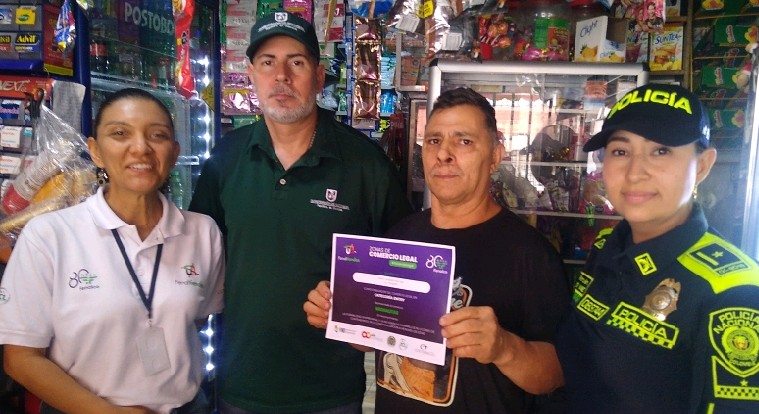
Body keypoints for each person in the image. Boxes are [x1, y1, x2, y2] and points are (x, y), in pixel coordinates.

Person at [188, 11, 412, 414]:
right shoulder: (226, 157)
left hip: (330, 391)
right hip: (241, 385)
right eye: (267, 63)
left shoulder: (364, 163)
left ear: (319, 75)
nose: (282, 77)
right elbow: (196, 261)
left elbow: (403, 264)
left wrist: (361, 304)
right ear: (251, 74)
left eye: (297, 62)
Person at [304, 87, 569, 413]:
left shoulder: (530, 255)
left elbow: (558, 374)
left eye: (464, 141)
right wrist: (340, 312)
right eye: (433, 141)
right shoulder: (399, 237)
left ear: (495, 157)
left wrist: (505, 348)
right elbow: (374, 338)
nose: (443, 154)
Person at [0, 88, 225, 414]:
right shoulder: (48, 236)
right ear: (96, 151)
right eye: (120, 133)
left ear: (174, 152)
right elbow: (20, 358)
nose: (141, 147)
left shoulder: (203, 233)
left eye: (157, 135)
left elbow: (196, 319)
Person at [555, 83, 759, 413]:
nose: (635, 173)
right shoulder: (607, 247)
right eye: (620, 151)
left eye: (661, 151)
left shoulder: (734, 291)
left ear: (703, 165)